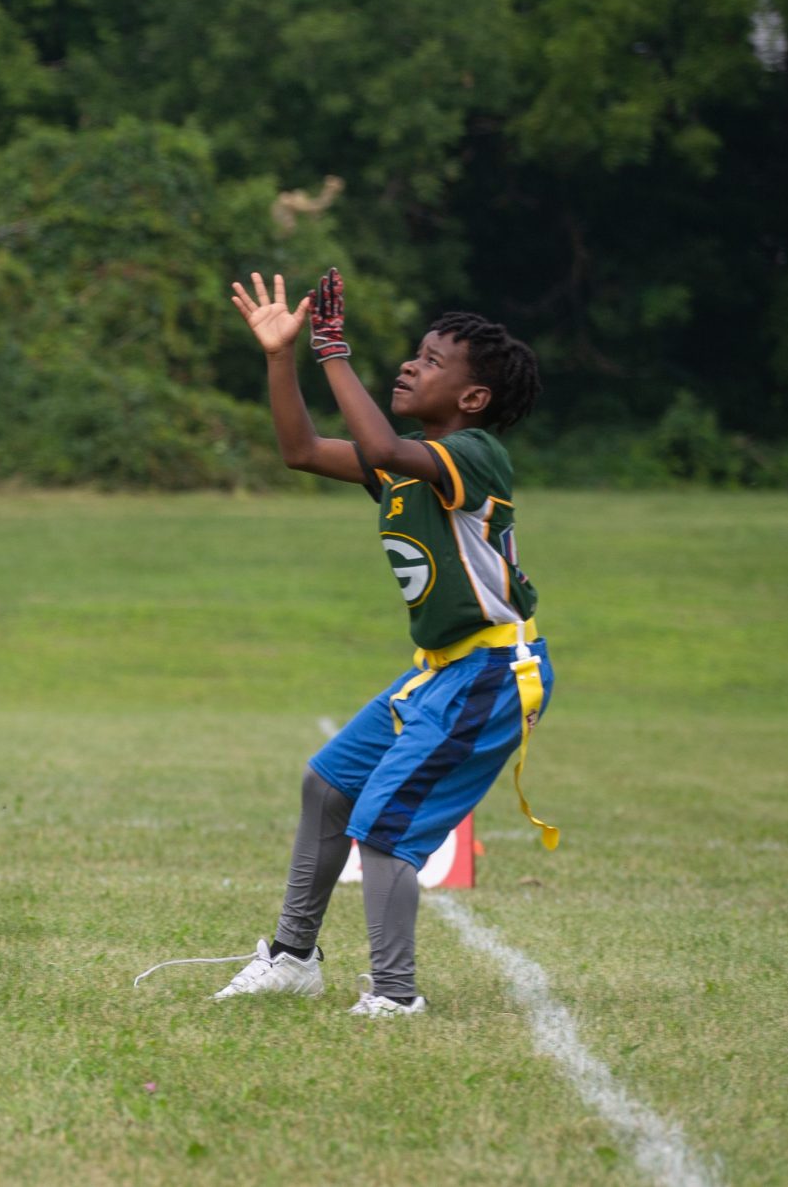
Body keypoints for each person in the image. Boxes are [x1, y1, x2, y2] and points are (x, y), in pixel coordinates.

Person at [172, 269, 556, 1016]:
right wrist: (283, 356)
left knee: (383, 823)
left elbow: (376, 440)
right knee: (329, 785)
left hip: (491, 670)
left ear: (474, 399)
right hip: (441, 668)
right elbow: (302, 450)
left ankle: (393, 993)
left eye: (432, 360)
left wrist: (332, 348)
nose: (410, 364)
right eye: (415, 353)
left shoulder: (474, 454)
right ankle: (291, 957)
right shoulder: (405, 463)